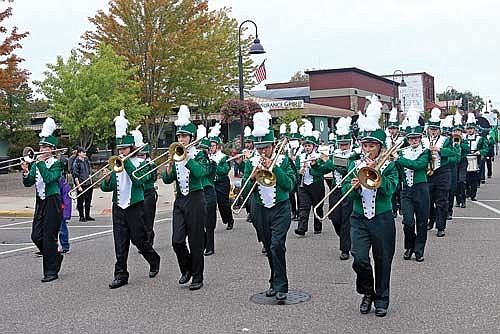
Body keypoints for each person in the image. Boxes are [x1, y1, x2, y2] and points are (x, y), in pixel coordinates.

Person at [342, 95, 399, 317]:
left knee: (383, 260)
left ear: (379, 147)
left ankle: (382, 299)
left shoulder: (390, 166)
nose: (367, 149)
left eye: (372, 145)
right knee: (360, 258)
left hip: (382, 218)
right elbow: (347, 189)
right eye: (365, 145)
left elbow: (390, 190)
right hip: (359, 218)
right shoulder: (354, 164)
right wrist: (355, 185)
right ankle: (367, 292)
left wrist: (377, 177)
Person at [101, 111, 161, 289]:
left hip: (135, 206)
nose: (121, 152)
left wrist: (125, 163)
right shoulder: (115, 163)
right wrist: (106, 179)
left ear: (132, 149)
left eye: (124, 149)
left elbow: (139, 181)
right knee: (120, 243)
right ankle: (121, 274)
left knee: (139, 240)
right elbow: (107, 188)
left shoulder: (139, 164)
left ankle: (153, 259)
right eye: (119, 149)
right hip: (118, 207)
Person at [241, 109, 296, 301]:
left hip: (281, 207)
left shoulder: (284, 160)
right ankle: (274, 280)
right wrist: (252, 177)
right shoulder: (251, 162)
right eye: (259, 148)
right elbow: (245, 190)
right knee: (268, 245)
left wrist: (274, 167)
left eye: (266, 148)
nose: (263, 152)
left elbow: (289, 185)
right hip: (260, 208)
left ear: (273, 145)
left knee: (277, 245)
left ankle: (282, 285)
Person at [162, 105, 206, 291]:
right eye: (179, 137)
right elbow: (167, 180)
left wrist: (187, 158)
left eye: (184, 137)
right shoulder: (176, 155)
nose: (181, 140)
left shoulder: (199, 154)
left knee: (196, 241)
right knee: (177, 240)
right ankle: (186, 268)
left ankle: (198, 276)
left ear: (191, 138)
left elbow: (200, 173)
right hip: (180, 200)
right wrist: (170, 165)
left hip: (196, 199)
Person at [22, 117, 64, 283]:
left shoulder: (56, 164)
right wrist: (26, 171)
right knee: (36, 236)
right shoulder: (35, 164)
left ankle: (51, 272)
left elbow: (48, 179)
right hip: (40, 202)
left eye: (45, 147)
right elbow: (28, 182)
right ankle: (55, 257)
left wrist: (38, 164)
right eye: (40, 146)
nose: (41, 149)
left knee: (48, 238)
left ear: (52, 149)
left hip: (53, 202)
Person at [315, 116, 354, 260]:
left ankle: (345, 248)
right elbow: (323, 170)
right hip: (336, 190)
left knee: (346, 221)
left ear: (350, 143)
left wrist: (337, 164)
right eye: (341, 144)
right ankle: (347, 239)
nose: (343, 147)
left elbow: (348, 170)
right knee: (335, 219)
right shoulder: (334, 155)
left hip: (349, 190)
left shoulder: (355, 155)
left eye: (345, 144)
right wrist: (315, 164)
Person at [395, 107, 429, 262]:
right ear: (407, 139)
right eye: (411, 138)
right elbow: (395, 169)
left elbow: (418, 165)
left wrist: (398, 159)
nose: (414, 141)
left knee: (422, 222)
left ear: (420, 138)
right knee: (408, 221)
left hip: (421, 190)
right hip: (406, 191)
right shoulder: (401, 152)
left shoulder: (425, 151)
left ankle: (419, 250)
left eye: (416, 138)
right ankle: (409, 246)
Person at [423, 108, 459, 237]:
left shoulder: (446, 140)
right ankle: (431, 219)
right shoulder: (422, 140)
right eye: (431, 129)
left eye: (435, 129)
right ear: (428, 129)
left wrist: (439, 150)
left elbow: (453, 153)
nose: (433, 131)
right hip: (427, 173)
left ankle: (440, 226)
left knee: (441, 200)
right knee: (428, 200)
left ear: (439, 130)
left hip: (442, 172)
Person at [294, 121, 325, 236]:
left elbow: (321, 172)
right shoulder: (299, 157)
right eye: (305, 146)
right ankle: (302, 228)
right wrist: (299, 171)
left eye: (309, 145)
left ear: (314, 146)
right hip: (303, 185)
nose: (307, 148)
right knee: (304, 207)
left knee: (318, 207)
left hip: (316, 184)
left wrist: (311, 167)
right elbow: (296, 170)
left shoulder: (319, 156)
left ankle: (318, 226)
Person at [209, 122, 235, 230]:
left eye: (213, 146)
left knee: (223, 204)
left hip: (222, 182)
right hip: (211, 183)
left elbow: (224, 170)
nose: (211, 148)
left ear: (218, 146)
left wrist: (213, 165)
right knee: (210, 205)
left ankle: (229, 220)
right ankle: (211, 224)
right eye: (210, 146)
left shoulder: (224, 157)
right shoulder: (207, 156)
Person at [196, 125, 217, 256]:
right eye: (200, 149)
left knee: (209, 222)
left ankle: (210, 246)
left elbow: (207, 172)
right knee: (198, 222)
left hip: (208, 193)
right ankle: (202, 243)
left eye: (204, 149)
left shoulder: (211, 162)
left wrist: (205, 156)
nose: (202, 151)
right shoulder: (195, 160)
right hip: (198, 193)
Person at [135, 143, 157, 247]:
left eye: (142, 155)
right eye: (138, 155)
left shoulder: (150, 165)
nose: (140, 158)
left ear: (146, 155)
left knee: (148, 218)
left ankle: (148, 240)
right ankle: (145, 238)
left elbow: (146, 177)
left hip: (149, 193)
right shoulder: (135, 164)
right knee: (140, 219)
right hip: (139, 193)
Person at [464, 113, 489, 201]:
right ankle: (467, 192)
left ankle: (473, 195)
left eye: (471, 129)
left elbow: (486, 148)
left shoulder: (480, 138)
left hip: (475, 159)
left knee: (474, 178)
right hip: (465, 159)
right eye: (468, 129)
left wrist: (480, 152)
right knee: (465, 178)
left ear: (474, 129)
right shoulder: (463, 137)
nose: (469, 130)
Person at [385, 108, 405, 218]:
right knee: (391, 187)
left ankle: (402, 207)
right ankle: (393, 208)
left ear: (397, 129)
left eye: (394, 128)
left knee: (400, 187)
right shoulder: (386, 139)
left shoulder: (402, 139)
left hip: (399, 165)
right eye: (390, 128)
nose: (392, 131)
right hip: (389, 164)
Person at [73, 147, 95, 222]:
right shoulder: (76, 162)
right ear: (79, 153)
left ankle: (87, 215)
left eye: (85, 152)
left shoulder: (86, 160)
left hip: (88, 183)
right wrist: (78, 186)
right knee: (80, 201)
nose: (85, 153)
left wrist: (91, 183)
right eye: (83, 152)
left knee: (88, 201)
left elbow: (89, 172)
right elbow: (75, 176)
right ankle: (81, 216)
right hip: (81, 184)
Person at [58, 175, 71, 253]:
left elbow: (67, 200)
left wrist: (66, 214)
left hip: (60, 208)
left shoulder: (63, 183)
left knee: (62, 228)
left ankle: (65, 246)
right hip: (53, 207)